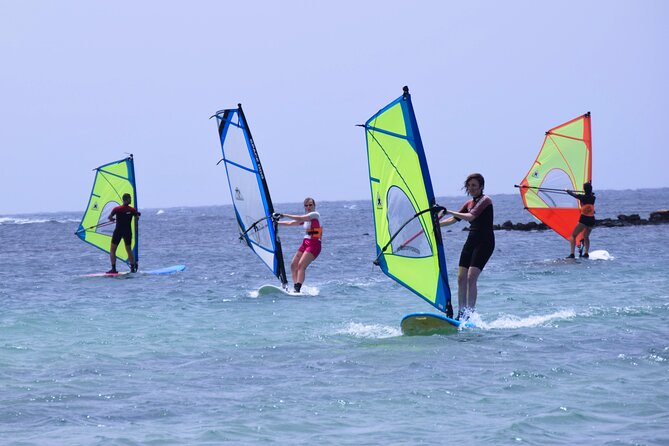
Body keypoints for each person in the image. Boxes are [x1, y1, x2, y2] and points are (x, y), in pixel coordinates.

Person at [439, 173, 495, 321]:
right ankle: (461, 313)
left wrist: (448, 211)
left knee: (471, 277)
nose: (471, 188)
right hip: (471, 240)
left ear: (481, 187)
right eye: (469, 186)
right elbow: (454, 219)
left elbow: (470, 217)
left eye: (474, 185)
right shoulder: (468, 203)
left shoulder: (485, 200)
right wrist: (437, 225)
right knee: (460, 278)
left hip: (485, 242)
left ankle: (469, 314)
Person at [274, 197, 322, 293]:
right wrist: (276, 223)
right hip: (305, 243)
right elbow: (291, 223)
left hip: (315, 244)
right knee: (293, 265)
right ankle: (296, 286)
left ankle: (297, 289)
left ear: (314, 206)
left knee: (301, 265)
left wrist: (283, 215)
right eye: (306, 205)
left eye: (310, 205)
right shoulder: (306, 218)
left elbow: (300, 218)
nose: (308, 207)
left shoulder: (315, 215)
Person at [107, 193, 141, 273]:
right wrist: (137, 215)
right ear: (126, 199)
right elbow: (137, 218)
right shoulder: (132, 210)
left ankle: (113, 269)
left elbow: (109, 217)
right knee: (129, 250)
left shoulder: (116, 209)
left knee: (112, 251)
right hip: (127, 232)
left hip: (118, 231)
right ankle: (132, 269)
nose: (131, 200)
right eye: (130, 198)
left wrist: (112, 219)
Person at [565, 182, 595, 258]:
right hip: (591, 220)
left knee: (573, 235)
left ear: (584, 190)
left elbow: (573, 194)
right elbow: (590, 195)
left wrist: (567, 190)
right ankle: (586, 253)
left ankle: (572, 254)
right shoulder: (593, 198)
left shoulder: (582, 197)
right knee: (586, 236)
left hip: (584, 219)